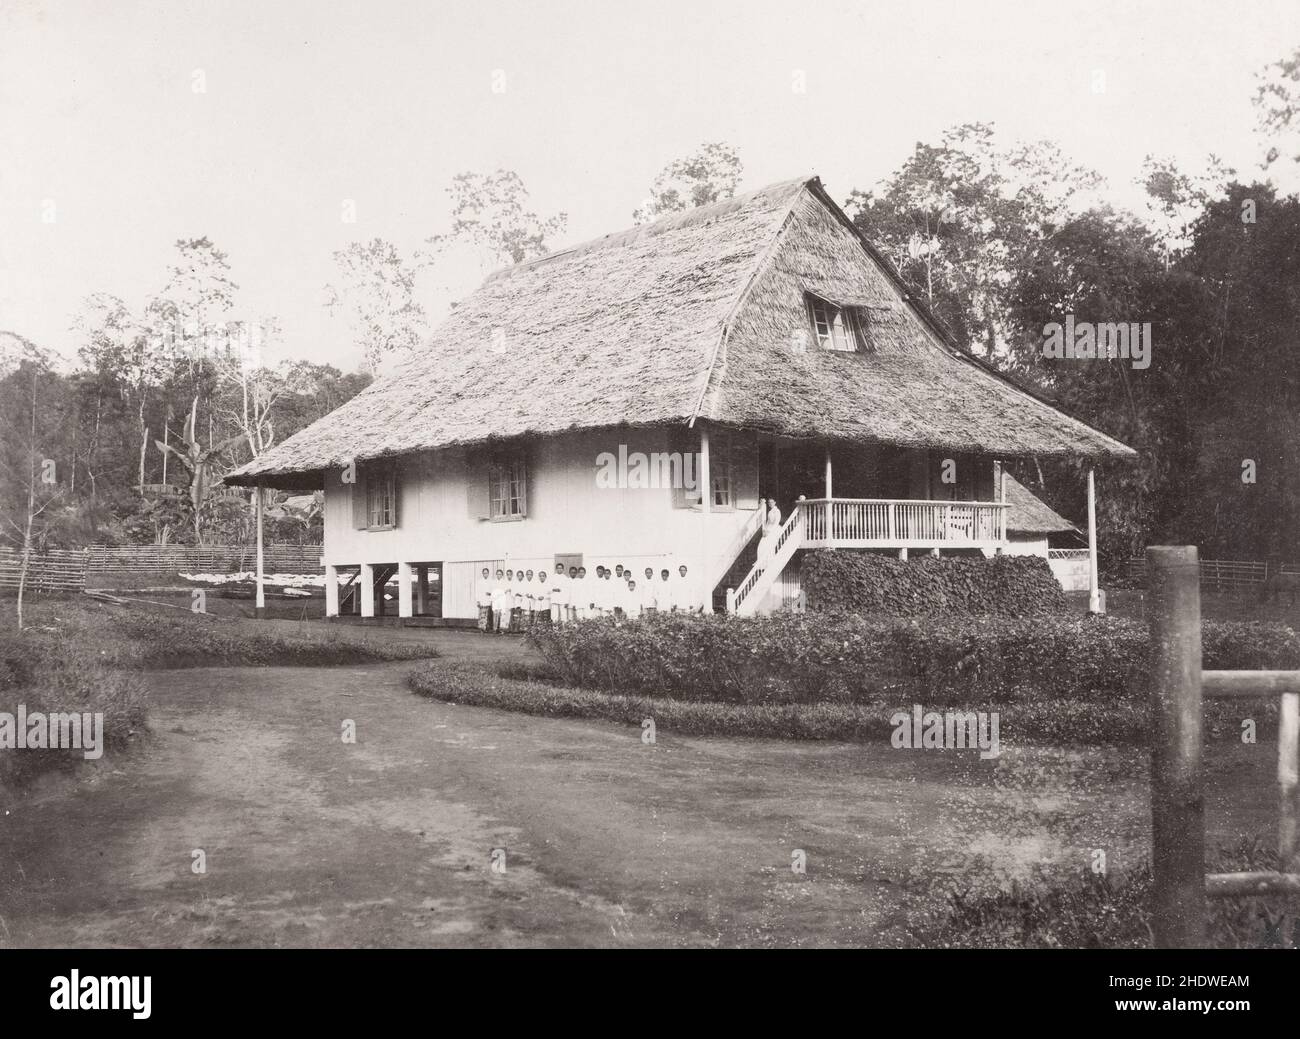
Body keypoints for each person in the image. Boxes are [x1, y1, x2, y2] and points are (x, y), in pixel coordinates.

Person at [757, 498, 782, 566]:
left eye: (772, 502)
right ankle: (763, 563)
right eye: (769, 503)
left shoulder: (777, 511)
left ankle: (769, 562)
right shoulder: (770, 511)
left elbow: (776, 522)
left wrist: (769, 531)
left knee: (769, 544)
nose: (770, 504)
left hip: (774, 529)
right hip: (769, 528)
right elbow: (768, 522)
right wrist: (765, 529)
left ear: (775, 502)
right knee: (762, 544)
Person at [491, 569, 510, 634]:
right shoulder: (493, 582)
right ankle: (495, 628)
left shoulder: (504, 582)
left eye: (500, 574)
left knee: (501, 614)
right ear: (496, 575)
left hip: (501, 600)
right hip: (495, 600)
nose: (499, 575)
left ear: (502, 575)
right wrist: (493, 599)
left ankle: (500, 629)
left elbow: (505, 590)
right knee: (495, 614)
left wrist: (500, 593)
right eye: (498, 574)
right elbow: (492, 592)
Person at [476, 567, 493, 632]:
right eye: (484, 573)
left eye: (486, 573)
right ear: (482, 574)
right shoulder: (479, 581)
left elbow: (492, 591)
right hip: (482, 599)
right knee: (482, 614)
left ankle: (486, 627)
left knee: (487, 614)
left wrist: (490, 594)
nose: (485, 574)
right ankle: (481, 628)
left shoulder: (490, 581)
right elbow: (477, 591)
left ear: (488, 573)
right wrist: (478, 601)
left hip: (488, 600)